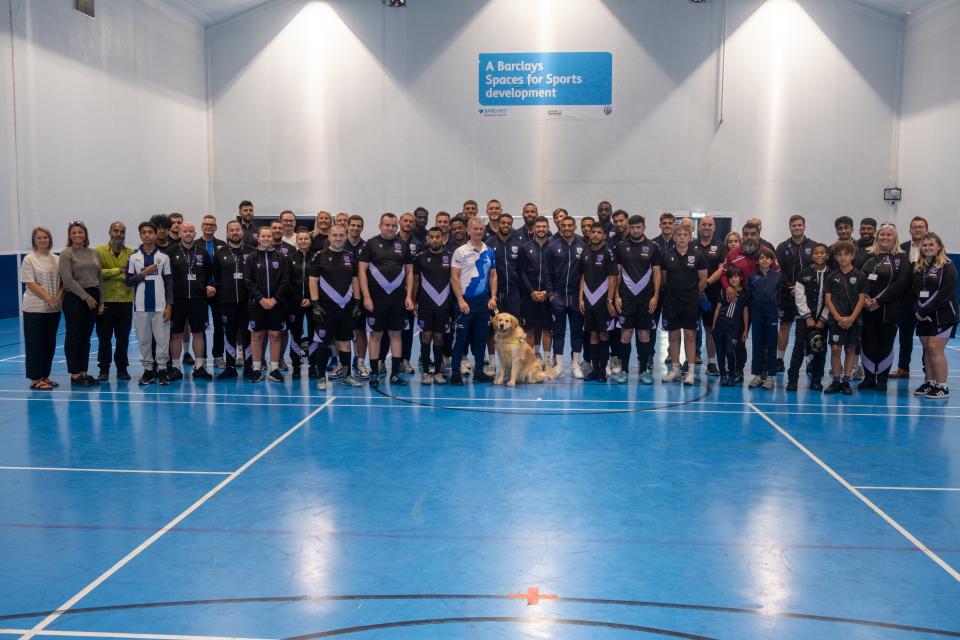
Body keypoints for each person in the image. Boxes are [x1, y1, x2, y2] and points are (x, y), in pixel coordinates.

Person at [358, 213, 415, 387]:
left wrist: (408, 296)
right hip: (376, 299)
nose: (390, 228)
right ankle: (374, 373)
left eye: (393, 225)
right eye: (387, 225)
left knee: (396, 335)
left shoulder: (403, 245)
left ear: (396, 227)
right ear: (380, 225)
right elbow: (361, 271)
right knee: (376, 335)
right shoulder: (371, 244)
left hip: (397, 299)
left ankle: (395, 374)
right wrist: (366, 296)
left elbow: (410, 271)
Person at [309, 225, 363, 390]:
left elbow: (355, 280)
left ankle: (347, 376)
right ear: (329, 237)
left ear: (346, 236)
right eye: (335, 235)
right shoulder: (319, 256)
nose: (338, 238)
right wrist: (315, 304)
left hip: (346, 308)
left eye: (341, 235)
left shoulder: (351, 256)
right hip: (326, 308)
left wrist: (357, 302)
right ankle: (321, 378)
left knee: (345, 343)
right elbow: (313, 281)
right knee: (324, 343)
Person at [859, 224, 911, 391]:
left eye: (889, 235)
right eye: (882, 234)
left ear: (895, 238)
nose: (885, 237)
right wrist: (866, 299)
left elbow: (901, 283)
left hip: (889, 310)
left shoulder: (902, 258)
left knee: (885, 344)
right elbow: (859, 278)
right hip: (867, 308)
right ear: (877, 237)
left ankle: (881, 378)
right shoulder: (868, 255)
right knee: (868, 343)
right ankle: (868, 377)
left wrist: (879, 301)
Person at [612, 214, 661, 385]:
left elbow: (656, 273)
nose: (635, 230)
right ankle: (624, 370)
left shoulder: (653, 247)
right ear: (628, 228)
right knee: (625, 334)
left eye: (638, 227)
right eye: (632, 227)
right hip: (626, 297)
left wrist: (656, 295)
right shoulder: (620, 247)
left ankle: (643, 370)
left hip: (646, 298)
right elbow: (616, 273)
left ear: (644, 227)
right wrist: (616, 295)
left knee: (644, 334)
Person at [125, 221, 173, 385]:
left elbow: (169, 283)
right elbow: (129, 282)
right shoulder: (133, 258)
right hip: (140, 307)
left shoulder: (164, 257)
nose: (147, 235)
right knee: (144, 340)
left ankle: (163, 370)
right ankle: (147, 371)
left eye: (150, 232)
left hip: (161, 307)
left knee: (162, 340)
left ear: (155, 234)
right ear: (140, 235)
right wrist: (144, 273)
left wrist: (169, 305)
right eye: (144, 232)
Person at [450, 217, 497, 385]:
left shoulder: (489, 251)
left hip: (483, 303)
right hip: (465, 303)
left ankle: (478, 371)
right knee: (460, 339)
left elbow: (493, 275)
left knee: (481, 339)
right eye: (475, 229)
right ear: (468, 231)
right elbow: (454, 277)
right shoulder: (460, 251)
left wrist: (493, 297)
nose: (478, 231)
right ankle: (455, 372)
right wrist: (460, 300)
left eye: (481, 229)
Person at [911, 232, 957, 399]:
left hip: (943, 315)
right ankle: (930, 382)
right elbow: (915, 291)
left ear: (939, 247)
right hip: (922, 315)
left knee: (934, 349)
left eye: (931, 244)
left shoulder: (948, 266)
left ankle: (942, 386)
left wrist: (924, 311)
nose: (928, 247)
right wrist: (917, 310)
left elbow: (944, 294)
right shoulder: (919, 267)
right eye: (925, 245)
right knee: (927, 350)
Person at [167, 222, 214, 380]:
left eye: (190, 231)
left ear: (195, 233)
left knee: (198, 333)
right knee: (175, 334)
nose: (188, 234)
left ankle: (199, 367)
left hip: (198, 300)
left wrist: (203, 287)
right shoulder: (171, 252)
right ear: (179, 233)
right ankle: (175, 368)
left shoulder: (202, 252)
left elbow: (208, 274)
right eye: (185, 231)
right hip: (177, 300)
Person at [660, 225, 707, 385]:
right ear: (674, 238)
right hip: (671, 303)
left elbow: (702, 280)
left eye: (684, 234)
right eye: (678, 234)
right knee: (673, 336)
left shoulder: (698, 255)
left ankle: (691, 372)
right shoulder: (666, 256)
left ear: (689, 237)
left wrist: (691, 295)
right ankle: (675, 370)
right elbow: (665, 279)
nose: (681, 237)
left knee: (690, 336)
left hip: (690, 304)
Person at [245, 226, 290, 382]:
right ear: (259, 238)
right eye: (263, 236)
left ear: (273, 238)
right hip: (257, 304)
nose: (266, 239)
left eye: (269, 236)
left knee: (275, 335)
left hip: (277, 304)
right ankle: (256, 369)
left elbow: (285, 281)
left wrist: (275, 299)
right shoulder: (251, 258)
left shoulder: (281, 257)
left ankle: (275, 369)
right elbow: (248, 281)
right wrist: (261, 299)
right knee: (257, 335)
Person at [59, 221, 101, 387]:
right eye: (74, 233)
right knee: (74, 337)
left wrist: (101, 300)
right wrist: (85, 297)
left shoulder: (93, 253)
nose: (77, 235)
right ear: (70, 235)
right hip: (75, 298)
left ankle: (84, 372)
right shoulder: (66, 254)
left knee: (86, 337)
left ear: (85, 234)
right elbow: (67, 279)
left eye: (80, 232)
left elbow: (100, 278)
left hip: (93, 296)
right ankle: (75, 374)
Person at [21, 227, 62, 390]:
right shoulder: (29, 259)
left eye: (45, 237)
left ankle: (45, 376)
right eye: (39, 238)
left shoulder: (57, 259)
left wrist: (57, 299)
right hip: (34, 309)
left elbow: (63, 283)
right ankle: (35, 378)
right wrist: (48, 299)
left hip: (53, 309)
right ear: (34, 241)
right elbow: (30, 283)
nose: (43, 240)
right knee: (35, 344)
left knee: (49, 344)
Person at [775, 215, 817, 375]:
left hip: (807, 296)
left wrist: (803, 289)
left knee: (808, 327)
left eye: (799, 225)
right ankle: (779, 359)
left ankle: (810, 360)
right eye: (794, 226)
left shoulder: (813, 246)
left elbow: (816, 269)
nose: (797, 228)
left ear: (804, 226)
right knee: (784, 326)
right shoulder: (782, 247)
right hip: (787, 294)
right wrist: (790, 287)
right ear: (789, 227)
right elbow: (778, 270)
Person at [823, 241, 867, 395]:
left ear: (852, 256)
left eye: (846, 254)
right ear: (835, 257)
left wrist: (851, 318)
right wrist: (838, 317)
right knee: (835, 349)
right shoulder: (831, 276)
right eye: (839, 255)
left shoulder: (860, 276)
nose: (843, 258)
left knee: (850, 349)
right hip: (836, 320)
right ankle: (836, 381)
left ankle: (846, 381)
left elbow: (862, 299)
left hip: (854, 320)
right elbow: (828, 299)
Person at [546, 216, 588, 378]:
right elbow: (547, 273)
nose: (567, 228)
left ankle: (575, 364)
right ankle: (559, 366)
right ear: (560, 227)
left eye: (570, 225)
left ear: (575, 226)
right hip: (558, 297)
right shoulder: (552, 246)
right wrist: (550, 294)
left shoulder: (583, 246)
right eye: (564, 225)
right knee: (558, 332)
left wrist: (583, 296)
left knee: (577, 331)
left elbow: (586, 273)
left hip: (577, 296)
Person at [211, 220, 253, 380]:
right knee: (229, 334)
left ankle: (249, 367)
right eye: (231, 230)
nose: (235, 233)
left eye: (237, 230)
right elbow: (215, 277)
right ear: (227, 233)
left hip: (247, 301)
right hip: (226, 302)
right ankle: (230, 367)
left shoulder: (252, 251)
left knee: (247, 333)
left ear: (242, 232)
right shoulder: (220, 253)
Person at [890, 216, 929, 379]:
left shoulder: (934, 248)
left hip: (927, 302)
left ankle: (929, 369)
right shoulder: (901, 248)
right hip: (905, 301)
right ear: (909, 230)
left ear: (926, 229)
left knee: (927, 339)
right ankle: (903, 368)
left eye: (921, 227)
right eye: (914, 227)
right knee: (905, 336)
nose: (917, 229)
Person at [95, 221, 134, 381]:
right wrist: (118, 270)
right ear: (110, 232)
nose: (119, 234)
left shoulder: (132, 253)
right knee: (104, 338)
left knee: (123, 338)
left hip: (125, 301)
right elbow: (97, 273)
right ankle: (103, 370)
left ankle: (122, 369)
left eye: (122, 231)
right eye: (116, 231)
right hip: (106, 302)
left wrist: (109, 273)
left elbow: (131, 275)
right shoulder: (98, 252)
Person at [413, 227, 453, 385]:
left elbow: (455, 280)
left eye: (438, 237)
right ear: (428, 239)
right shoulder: (420, 257)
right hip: (425, 305)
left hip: (444, 305)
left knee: (439, 337)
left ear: (442, 238)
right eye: (432, 237)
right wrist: (412, 300)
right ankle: (425, 373)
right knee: (426, 337)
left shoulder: (450, 257)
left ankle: (437, 372)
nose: (435, 240)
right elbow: (415, 281)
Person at [789, 243, 830, 391]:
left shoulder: (832, 274)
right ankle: (792, 380)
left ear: (827, 256)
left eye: (822, 253)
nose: (819, 255)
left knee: (820, 350)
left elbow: (831, 300)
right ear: (812, 256)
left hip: (823, 321)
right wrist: (807, 316)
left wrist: (823, 319)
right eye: (816, 253)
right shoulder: (803, 273)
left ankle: (816, 379)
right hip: (803, 319)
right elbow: (799, 296)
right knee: (798, 349)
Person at [579, 225, 617, 382]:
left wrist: (609, 300)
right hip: (588, 300)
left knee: (603, 334)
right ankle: (595, 370)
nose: (595, 235)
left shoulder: (608, 253)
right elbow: (583, 276)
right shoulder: (586, 251)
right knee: (593, 334)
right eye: (593, 232)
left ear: (604, 235)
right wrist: (580, 297)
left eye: (598, 233)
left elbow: (613, 278)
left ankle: (602, 370)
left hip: (603, 301)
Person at [487, 212, 523, 375]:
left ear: (511, 224)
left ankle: (516, 361)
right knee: (494, 329)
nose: (506, 225)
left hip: (514, 293)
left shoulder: (519, 243)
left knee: (514, 328)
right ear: (498, 224)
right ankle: (493, 363)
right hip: (496, 294)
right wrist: (491, 295)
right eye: (503, 223)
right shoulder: (489, 244)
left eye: (509, 223)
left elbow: (523, 270)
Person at [518, 216, 554, 361]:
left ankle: (546, 361)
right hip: (529, 296)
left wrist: (547, 292)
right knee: (529, 330)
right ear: (533, 229)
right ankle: (529, 360)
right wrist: (531, 291)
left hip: (548, 296)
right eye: (538, 226)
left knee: (547, 330)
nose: (540, 229)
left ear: (548, 228)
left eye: (543, 226)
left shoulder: (553, 247)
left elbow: (556, 273)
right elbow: (522, 272)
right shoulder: (525, 248)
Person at [695, 216, 727, 376]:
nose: (706, 227)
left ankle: (712, 363)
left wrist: (705, 284)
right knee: (690, 329)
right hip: (692, 296)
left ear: (714, 228)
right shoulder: (690, 244)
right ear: (698, 227)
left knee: (710, 329)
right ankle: (689, 360)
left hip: (711, 295)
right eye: (703, 225)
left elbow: (722, 269)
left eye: (709, 225)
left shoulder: (720, 246)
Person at [746, 247, 782, 390]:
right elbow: (749, 295)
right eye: (761, 258)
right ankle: (757, 375)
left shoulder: (777, 276)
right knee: (757, 345)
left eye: (767, 257)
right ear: (757, 261)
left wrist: (776, 308)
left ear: (772, 260)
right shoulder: (752, 276)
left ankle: (770, 376)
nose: (764, 260)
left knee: (772, 346)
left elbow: (780, 294)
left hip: (772, 314)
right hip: (757, 314)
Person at [288, 229, 318, 379]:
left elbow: (321, 281)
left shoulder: (317, 258)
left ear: (310, 241)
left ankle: (313, 366)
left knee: (313, 334)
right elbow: (286, 282)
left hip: (313, 303)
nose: (303, 241)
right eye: (300, 239)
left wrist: (312, 300)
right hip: (295, 303)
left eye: (306, 239)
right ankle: (296, 367)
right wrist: (298, 299)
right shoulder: (289, 258)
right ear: (297, 241)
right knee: (295, 334)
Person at [711, 267, 749, 387]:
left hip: (733, 328)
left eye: (736, 277)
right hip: (719, 326)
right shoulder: (724, 291)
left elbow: (745, 312)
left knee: (730, 352)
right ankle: (723, 375)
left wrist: (746, 330)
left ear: (741, 278)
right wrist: (713, 325)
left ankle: (732, 375)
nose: (734, 279)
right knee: (720, 352)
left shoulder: (745, 293)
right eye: (731, 277)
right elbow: (718, 309)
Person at [199, 214, 227, 369]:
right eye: (206, 224)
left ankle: (218, 355)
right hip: (200, 291)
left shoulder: (222, 245)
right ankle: (201, 357)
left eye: (211, 224)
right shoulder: (195, 245)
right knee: (201, 326)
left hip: (218, 291)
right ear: (202, 226)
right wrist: (204, 287)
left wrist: (215, 286)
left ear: (216, 227)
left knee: (219, 324)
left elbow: (224, 270)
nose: (208, 227)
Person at [345, 214, 369, 379]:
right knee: (342, 332)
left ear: (362, 227)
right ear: (347, 226)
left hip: (359, 297)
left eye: (358, 226)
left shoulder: (367, 247)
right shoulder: (339, 243)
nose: (355, 228)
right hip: (340, 297)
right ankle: (342, 365)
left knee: (360, 331)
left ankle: (360, 363)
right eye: (352, 225)